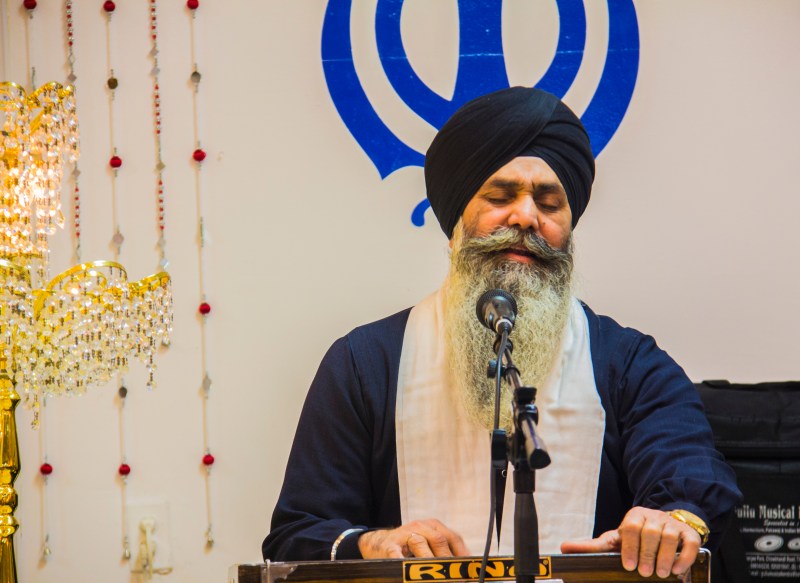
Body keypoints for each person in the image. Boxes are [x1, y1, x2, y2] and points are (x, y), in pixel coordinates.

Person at [262, 87, 741, 579]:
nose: (526, 217)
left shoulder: (628, 363)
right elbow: (298, 533)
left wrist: (667, 522)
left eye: (549, 203)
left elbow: (691, 478)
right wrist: (374, 542)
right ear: (455, 221)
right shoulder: (365, 363)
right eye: (500, 196)